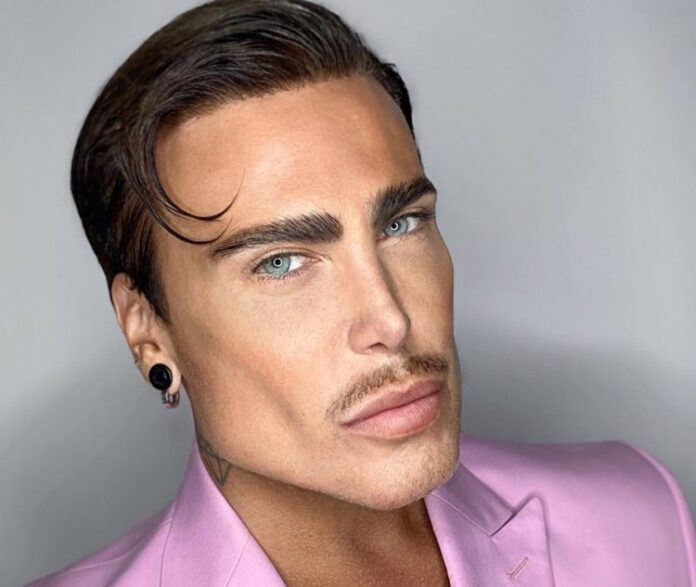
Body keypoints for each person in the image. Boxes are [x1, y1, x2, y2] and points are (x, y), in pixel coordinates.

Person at [26, 0, 696, 585]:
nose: (389, 318)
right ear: (148, 330)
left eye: (401, 224)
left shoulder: (639, 516)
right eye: (282, 261)